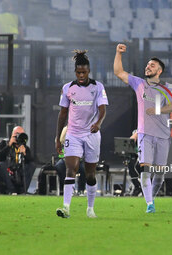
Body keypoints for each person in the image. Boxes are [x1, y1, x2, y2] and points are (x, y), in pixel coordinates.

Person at [114, 44, 172, 213]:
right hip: (144, 134)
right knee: (145, 171)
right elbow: (119, 72)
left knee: (160, 174)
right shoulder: (139, 83)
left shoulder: (166, 88)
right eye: (147, 65)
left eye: (152, 65)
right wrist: (118, 53)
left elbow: (171, 107)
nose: (148, 67)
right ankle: (150, 204)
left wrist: (157, 110)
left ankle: (151, 198)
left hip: (163, 136)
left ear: (159, 71)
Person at [55, 50, 108, 218]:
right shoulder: (68, 88)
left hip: (91, 135)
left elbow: (102, 110)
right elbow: (62, 114)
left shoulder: (98, 87)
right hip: (73, 134)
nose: (81, 75)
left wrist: (98, 124)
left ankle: (90, 208)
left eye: (84, 72)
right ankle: (66, 208)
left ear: (89, 71)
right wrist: (58, 137)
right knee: (71, 168)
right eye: (78, 72)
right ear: (75, 72)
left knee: (90, 174)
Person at [0, 126, 35, 194]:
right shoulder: (4, 144)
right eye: (17, 134)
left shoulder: (25, 147)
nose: (18, 136)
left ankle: (23, 191)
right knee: (1, 165)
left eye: (21, 134)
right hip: (6, 171)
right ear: (12, 135)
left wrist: (25, 153)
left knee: (32, 165)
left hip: (18, 172)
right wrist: (9, 145)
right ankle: (12, 191)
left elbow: (31, 161)